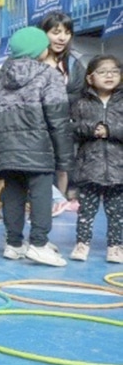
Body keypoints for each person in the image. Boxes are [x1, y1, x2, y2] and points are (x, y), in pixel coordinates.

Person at [0, 27, 73, 267]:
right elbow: (58, 119)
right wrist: (64, 157)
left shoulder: (3, 75)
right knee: (41, 194)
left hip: (5, 147)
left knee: (13, 194)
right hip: (37, 147)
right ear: (40, 50)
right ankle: (39, 244)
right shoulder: (48, 74)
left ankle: (13, 243)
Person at [69, 55, 123, 263]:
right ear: (90, 78)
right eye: (102, 71)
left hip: (118, 168)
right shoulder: (81, 103)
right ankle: (82, 243)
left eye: (114, 71)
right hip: (89, 166)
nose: (109, 75)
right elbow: (72, 128)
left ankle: (115, 246)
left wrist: (111, 131)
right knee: (86, 211)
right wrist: (92, 129)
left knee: (117, 212)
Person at [39, 11, 87, 203]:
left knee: (63, 166)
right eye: (55, 32)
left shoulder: (74, 62)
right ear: (44, 33)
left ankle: (59, 201)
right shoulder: (32, 60)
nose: (62, 38)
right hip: (36, 125)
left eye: (67, 33)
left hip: (64, 124)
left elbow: (80, 92)